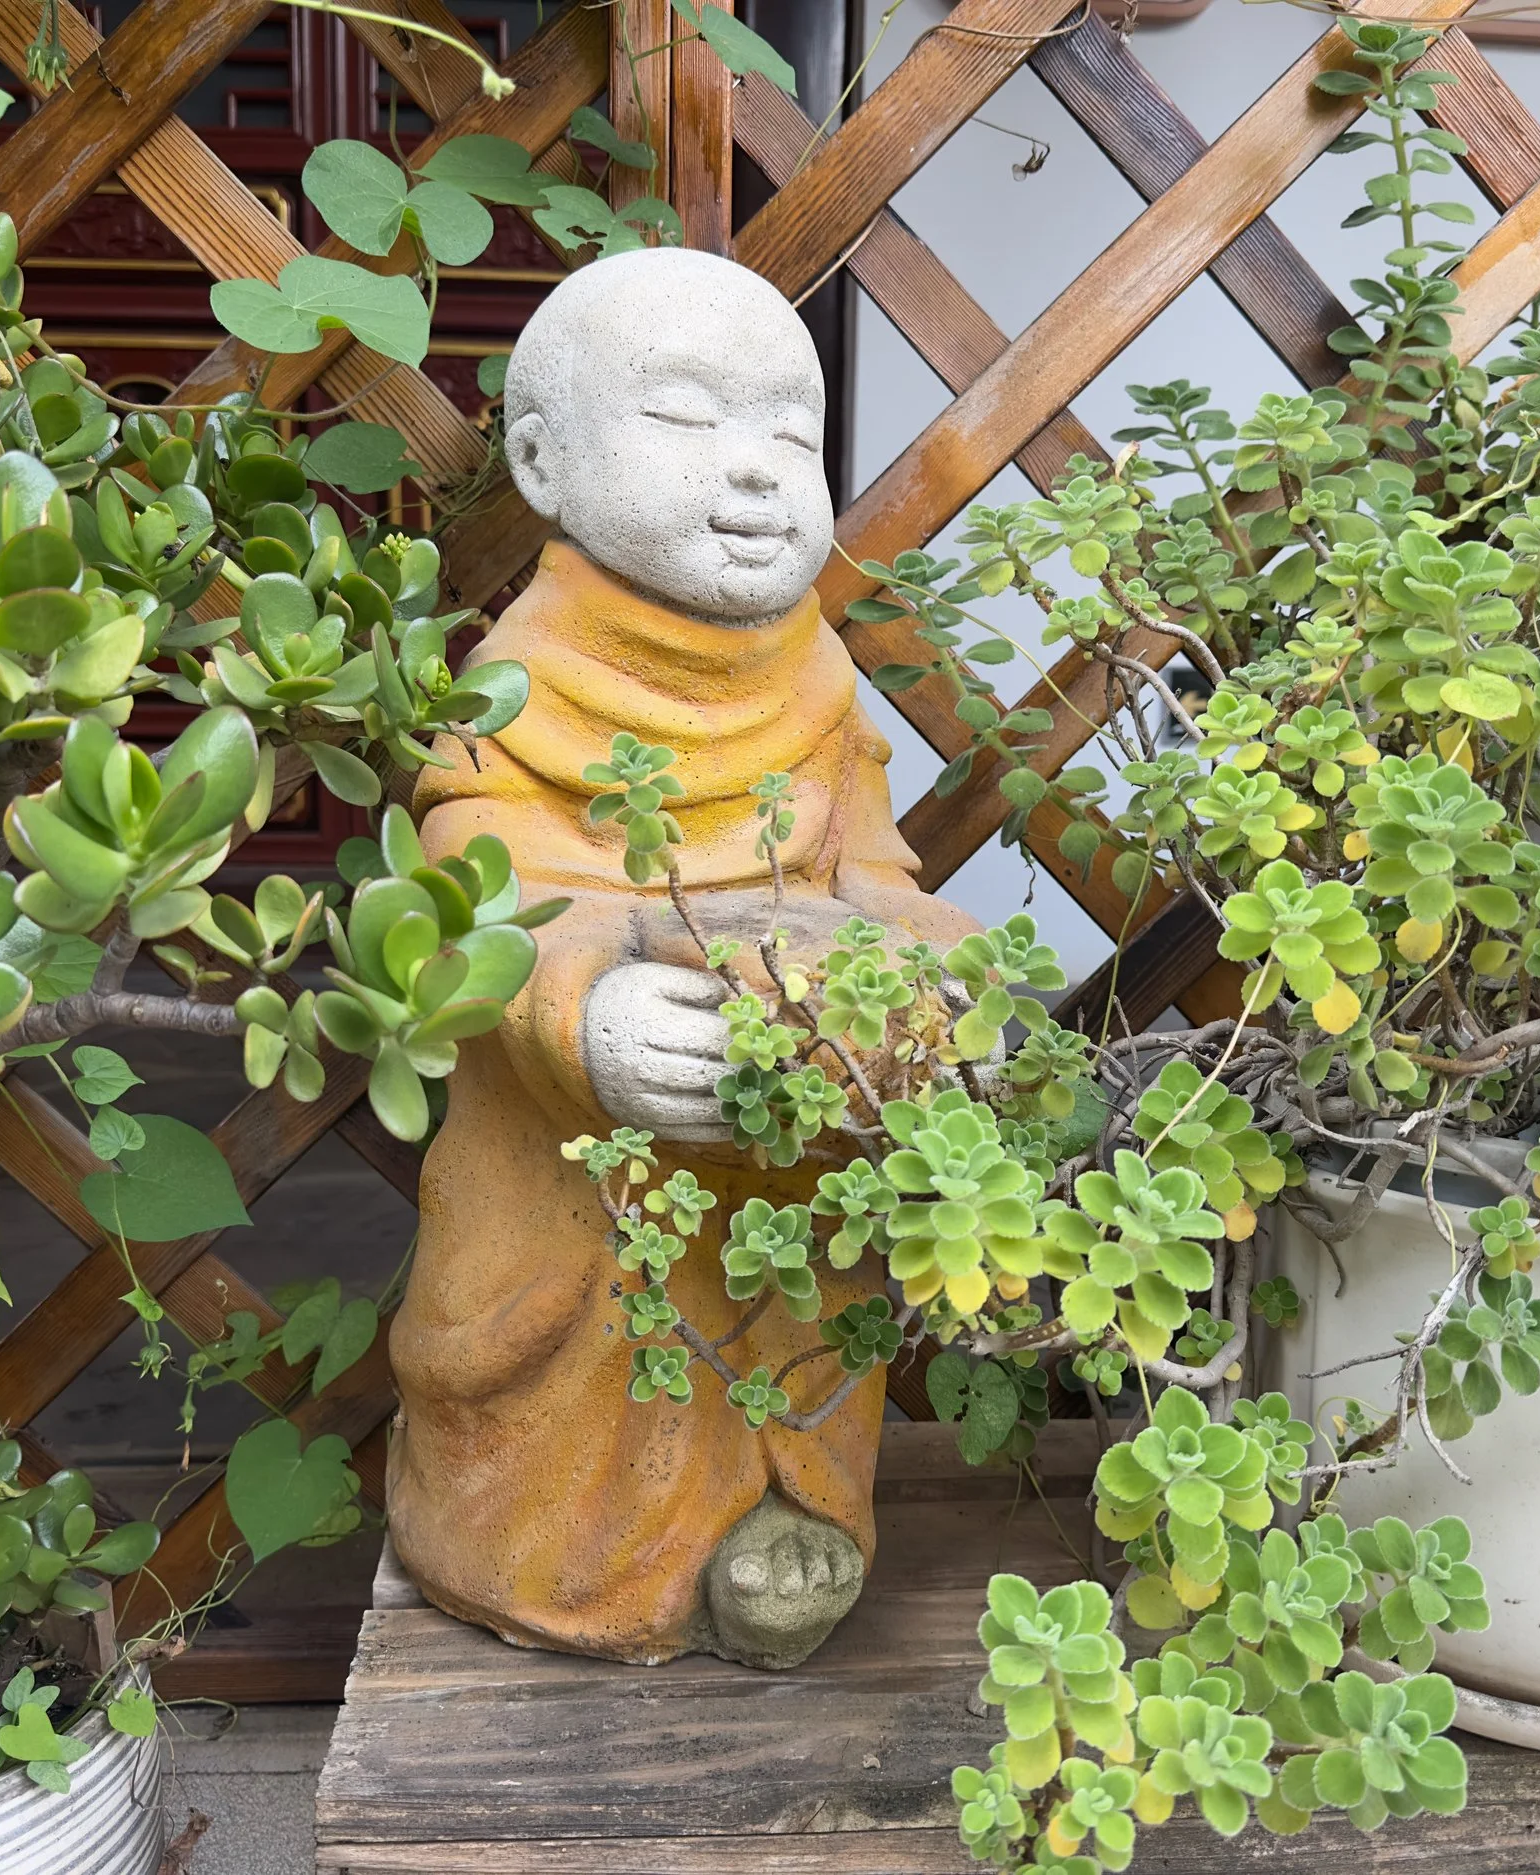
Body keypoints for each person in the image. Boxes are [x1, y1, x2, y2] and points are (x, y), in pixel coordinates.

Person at [387, 248, 980, 1668]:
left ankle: (781, 1507)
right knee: (570, 1330)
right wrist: (584, 1015)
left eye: (791, 430)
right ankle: (552, 1553)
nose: (760, 472)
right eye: (682, 420)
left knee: (799, 1292)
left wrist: (949, 983)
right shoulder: (504, 699)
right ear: (543, 461)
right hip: (566, 1165)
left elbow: (872, 878)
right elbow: (477, 901)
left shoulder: (822, 686)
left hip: (784, 1134)